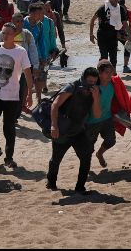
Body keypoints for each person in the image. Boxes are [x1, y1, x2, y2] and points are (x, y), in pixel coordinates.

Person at [46, 67, 101, 195]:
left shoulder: (95, 92)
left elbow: (97, 115)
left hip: (79, 131)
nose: (91, 84)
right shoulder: (71, 87)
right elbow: (55, 105)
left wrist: (96, 98)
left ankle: (80, 187)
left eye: (94, 81)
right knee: (56, 159)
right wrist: (54, 126)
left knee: (86, 157)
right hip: (63, 130)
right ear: (83, 79)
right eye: (89, 81)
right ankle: (51, 182)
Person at [0, 23, 33, 168]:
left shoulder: (21, 51)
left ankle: (9, 157)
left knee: (9, 127)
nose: (5, 35)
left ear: (15, 35)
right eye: (3, 33)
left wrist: (30, 94)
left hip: (12, 95)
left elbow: (27, 73)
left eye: (8, 33)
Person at [89, 0, 127, 67]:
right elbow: (93, 19)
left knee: (113, 58)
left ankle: (113, 73)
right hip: (102, 35)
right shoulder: (103, 8)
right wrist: (91, 34)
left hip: (113, 35)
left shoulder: (120, 9)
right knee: (104, 57)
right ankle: (100, 72)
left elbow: (125, 23)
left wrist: (128, 35)